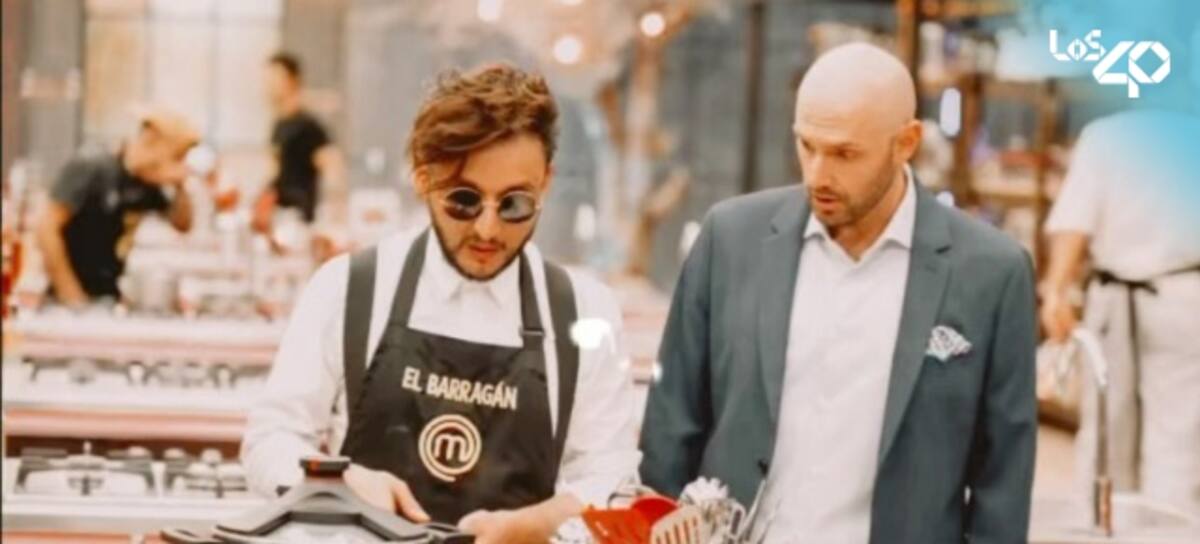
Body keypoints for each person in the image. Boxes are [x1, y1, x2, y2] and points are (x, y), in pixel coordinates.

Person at [638, 43, 1037, 543]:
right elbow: (671, 428)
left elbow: (1003, 482)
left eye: (845, 154)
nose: (818, 175)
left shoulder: (992, 272)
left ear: (906, 143)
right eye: (807, 146)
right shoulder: (730, 239)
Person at [241, 63, 640, 543]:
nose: (488, 229)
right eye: (464, 201)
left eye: (514, 204)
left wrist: (529, 526)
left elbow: (609, 480)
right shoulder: (349, 288)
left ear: (546, 183)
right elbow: (271, 440)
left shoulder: (584, 312)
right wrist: (338, 482)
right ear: (423, 178)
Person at [1041, 109, 1200, 517]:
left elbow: (1074, 223)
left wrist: (1056, 291)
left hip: (1121, 298)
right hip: (1181, 298)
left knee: (1105, 429)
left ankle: (1103, 524)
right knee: (1177, 437)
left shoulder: (1107, 134)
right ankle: (1170, 530)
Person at [35, 106, 198, 306]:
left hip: (107, 294)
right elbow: (46, 229)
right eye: (176, 157)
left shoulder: (147, 184)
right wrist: (71, 294)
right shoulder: (92, 166)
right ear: (151, 140)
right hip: (67, 296)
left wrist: (180, 185)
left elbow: (182, 225)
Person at [252, 52, 346, 233]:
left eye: (275, 78)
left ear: (293, 80)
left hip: (298, 222)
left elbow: (333, 167)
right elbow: (276, 172)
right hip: (278, 219)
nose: (269, 85)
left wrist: (333, 223)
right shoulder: (279, 125)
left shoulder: (308, 126)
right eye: (267, 79)